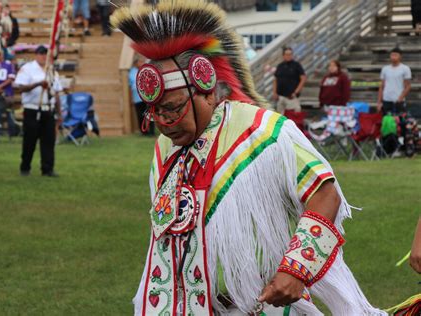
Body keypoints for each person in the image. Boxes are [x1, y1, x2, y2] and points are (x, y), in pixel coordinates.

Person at [112, 1, 385, 315]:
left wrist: (296, 269)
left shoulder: (264, 132)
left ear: (208, 91)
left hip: (261, 305)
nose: (163, 123)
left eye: (173, 108)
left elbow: (325, 193)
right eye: (155, 112)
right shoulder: (165, 147)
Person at [14, 45, 63, 177]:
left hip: (48, 109)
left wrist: (59, 112)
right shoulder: (28, 69)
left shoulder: (52, 71)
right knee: (30, 140)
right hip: (33, 109)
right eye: (41, 54)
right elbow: (21, 88)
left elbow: (57, 93)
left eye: (45, 54)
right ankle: (25, 166)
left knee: (48, 141)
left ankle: (47, 168)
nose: (43, 57)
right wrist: (38, 84)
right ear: (36, 55)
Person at [377, 48, 412, 115]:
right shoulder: (385, 69)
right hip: (386, 99)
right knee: (387, 122)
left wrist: (400, 98)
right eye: (392, 55)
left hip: (398, 100)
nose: (393, 57)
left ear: (400, 56)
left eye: (395, 55)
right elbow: (381, 86)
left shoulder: (405, 68)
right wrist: (379, 102)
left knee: (399, 121)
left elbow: (408, 86)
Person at [273, 47, 306, 113]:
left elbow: (303, 78)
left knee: (293, 117)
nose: (289, 56)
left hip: (291, 96)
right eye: (287, 54)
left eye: (290, 54)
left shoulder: (296, 65)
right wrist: (274, 92)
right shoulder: (280, 66)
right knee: (280, 118)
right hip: (281, 96)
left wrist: (296, 91)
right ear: (283, 55)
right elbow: (275, 79)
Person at [129, 55, 154, 136]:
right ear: (136, 63)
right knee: (140, 115)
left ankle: (152, 131)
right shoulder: (132, 72)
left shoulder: (144, 70)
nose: (142, 63)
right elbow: (131, 85)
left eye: (143, 61)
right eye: (141, 62)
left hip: (147, 96)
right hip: (137, 98)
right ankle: (143, 132)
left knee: (149, 114)